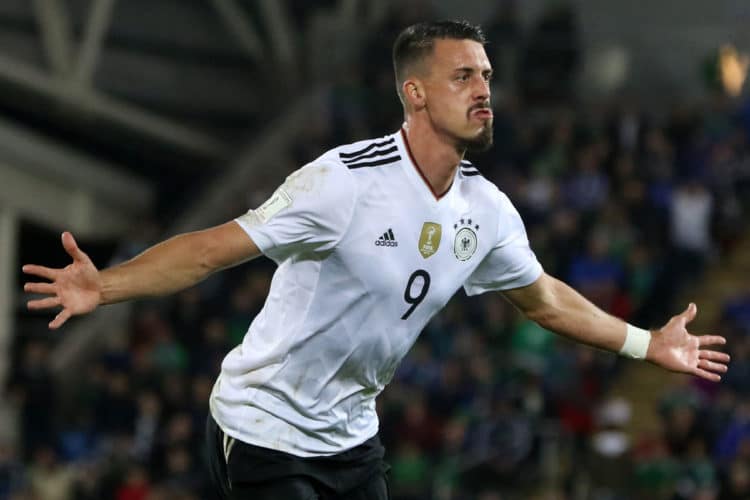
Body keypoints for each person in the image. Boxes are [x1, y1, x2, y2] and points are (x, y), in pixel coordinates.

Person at [22, 20, 730, 500]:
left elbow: (543, 298)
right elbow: (211, 250)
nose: (484, 90)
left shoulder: (487, 211)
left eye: (486, 75)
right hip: (263, 429)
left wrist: (646, 342)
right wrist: (105, 286)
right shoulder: (343, 182)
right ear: (414, 94)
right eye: (462, 77)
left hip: (352, 438)